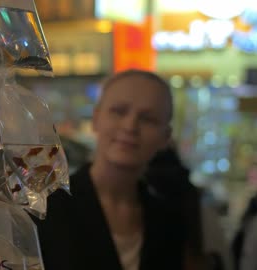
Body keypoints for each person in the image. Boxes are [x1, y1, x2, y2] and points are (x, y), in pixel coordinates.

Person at [34, 69, 186, 270]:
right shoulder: (45, 210)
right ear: (96, 119)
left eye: (148, 119)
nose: (130, 126)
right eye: (119, 111)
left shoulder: (170, 222)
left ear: (165, 137)